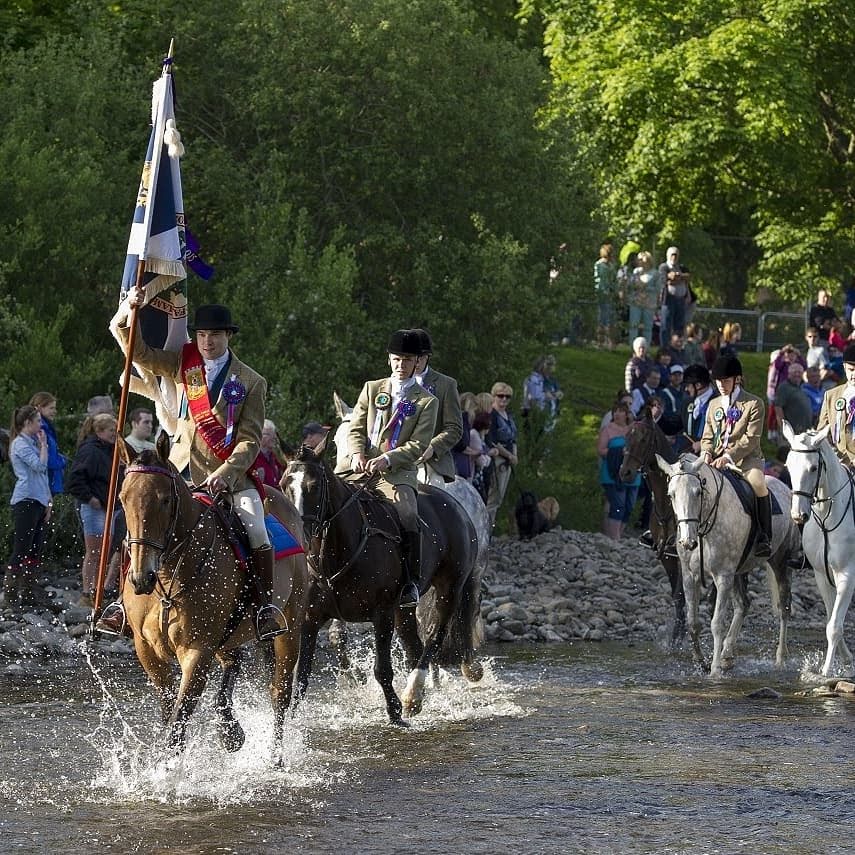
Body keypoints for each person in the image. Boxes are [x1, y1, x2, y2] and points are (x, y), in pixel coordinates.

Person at [110, 289, 286, 639]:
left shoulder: (251, 381)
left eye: (215, 335)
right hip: (178, 472)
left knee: (257, 529)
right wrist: (132, 312)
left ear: (228, 337)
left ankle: (264, 607)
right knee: (138, 521)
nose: (207, 341)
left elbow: (250, 440)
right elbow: (140, 354)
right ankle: (121, 603)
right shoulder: (183, 362)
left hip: (230, 479)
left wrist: (226, 473)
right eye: (202, 334)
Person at [336, 329, 438, 607]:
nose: (400, 366)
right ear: (389, 360)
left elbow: (418, 444)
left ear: (417, 362)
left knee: (407, 512)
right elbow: (355, 426)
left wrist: (388, 459)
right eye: (396, 359)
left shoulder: (427, 401)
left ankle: (410, 581)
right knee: (320, 496)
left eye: (407, 360)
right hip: (359, 464)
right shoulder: (372, 388)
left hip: (396, 472)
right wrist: (356, 453)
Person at [700, 355, 771, 557]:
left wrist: (728, 456)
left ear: (737, 379)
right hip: (714, 460)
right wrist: (706, 452)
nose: (721, 385)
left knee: (758, 483)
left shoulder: (754, 403)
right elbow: (707, 436)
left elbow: (751, 439)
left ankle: (764, 536)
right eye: (718, 381)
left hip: (746, 461)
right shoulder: (714, 405)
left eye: (726, 381)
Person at [66, 413, 122, 608]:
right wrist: (90, 498)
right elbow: (75, 480)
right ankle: (87, 591)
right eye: (111, 431)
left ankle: (96, 591)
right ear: (99, 431)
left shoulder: (112, 450)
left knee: (105, 552)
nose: (115, 434)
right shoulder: (90, 450)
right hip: (94, 507)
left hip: (110, 507)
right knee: (94, 552)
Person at [4, 405, 52, 611]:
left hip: (39, 499)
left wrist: (49, 501)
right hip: (26, 500)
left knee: (35, 548)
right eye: (38, 421)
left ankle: (30, 591)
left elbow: (43, 476)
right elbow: (39, 466)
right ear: (27, 423)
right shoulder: (19, 444)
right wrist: (44, 446)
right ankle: (11, 594)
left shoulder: (31, 442)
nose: (41, 425)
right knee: (21, 547)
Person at [412, 328, 463, 486]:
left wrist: (433, 447)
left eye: (421, 357)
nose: (416, 362)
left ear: (428, 357)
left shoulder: (445, 385)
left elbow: (454, 428)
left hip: (430, 463)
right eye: (412, 357)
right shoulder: (389, 385)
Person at [597, 401, 639, 541]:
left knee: (629, 505)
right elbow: (601, 450)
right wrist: (618, 452)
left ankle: (618, 534)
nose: (617, 414)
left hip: (631, 473)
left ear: (627, 414)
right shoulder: (607, 430)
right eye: (615, 411)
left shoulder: (633, 429)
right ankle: (613, 538)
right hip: (612, 473)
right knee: (618, 504)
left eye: (621, 411)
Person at [485, 382, 518, 529]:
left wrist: (514, 455)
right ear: (494, 396)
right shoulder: (492, 415)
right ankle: (485, 527)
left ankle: (490, 527)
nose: (504, 399)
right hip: (498, 458)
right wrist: (509, 455)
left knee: (499, 498)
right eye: (500, 396)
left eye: (507, 397)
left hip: (509, 458)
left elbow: (513, 438)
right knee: (493, 496)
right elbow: (492, 440)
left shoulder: (509, 415)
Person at [817, 342, 855, 467]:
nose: (854, 374)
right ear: (844, 367)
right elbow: (822, 430)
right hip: (838, 463)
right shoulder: (831, 395)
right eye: (851, 370)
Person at [28, 392, 67, 496]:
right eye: (51, 408)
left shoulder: (47, 428)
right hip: (45, 482)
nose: (55, 411)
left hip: (48, 481)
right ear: (39, 408)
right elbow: (48, 459)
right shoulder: (40, 430)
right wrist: (63, 461)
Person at [773, 362, 813, 443]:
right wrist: (784, 429)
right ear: (789, 374)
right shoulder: (784, 387)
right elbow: (778, 408)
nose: (797, 374)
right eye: (795, 372)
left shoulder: (803, 387)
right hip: (791, 433)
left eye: (800, 372)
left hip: (804, 432)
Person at [658, 246, 691, 342]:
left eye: (676, 255)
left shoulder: (681, 267)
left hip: (681, 300)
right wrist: (676, 278)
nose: (674, 258)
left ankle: (677, 344)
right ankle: (665, 347)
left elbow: (688, 277)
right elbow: (664, 279)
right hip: (668, 300)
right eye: (672, 255)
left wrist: (676, 277)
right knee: (666, 325)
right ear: (668, 255)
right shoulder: (664, 267)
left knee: (679, 325)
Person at [680, 364, 715, 453]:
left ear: (698, 385)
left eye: (688, 385)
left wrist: (703, 444)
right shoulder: (687, 402)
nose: (686, 389)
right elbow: (677, 424)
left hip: (712, 457)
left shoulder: (720, 402)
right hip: (688, 455)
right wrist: (658, 416)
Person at [627, 251, 659, 345]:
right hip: (635, 302)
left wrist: (645, 287)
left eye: (642, 259)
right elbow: (630, 285)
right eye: (638, 259)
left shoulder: (655, 273)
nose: (639, 261)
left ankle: (646, 348)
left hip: (649, 303)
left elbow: (658, 288)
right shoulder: (636, 271)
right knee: (633, 325)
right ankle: (633, 347)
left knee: (647, 327)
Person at [594, 243, 618, 349]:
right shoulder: (599, 265)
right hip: (601, 294)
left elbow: (614, 280)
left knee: (609, 319)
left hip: (610, 294)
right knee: (602, 319)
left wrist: (614, 291)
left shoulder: (611, 266)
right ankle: (600, 342)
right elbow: (597, 280)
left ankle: (609, 343)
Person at [255, 419, 287, 489]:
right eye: (268, 434)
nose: (274, 437)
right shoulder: (252, 458)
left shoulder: (277, 457)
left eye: (274, 434)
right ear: (259, 435)